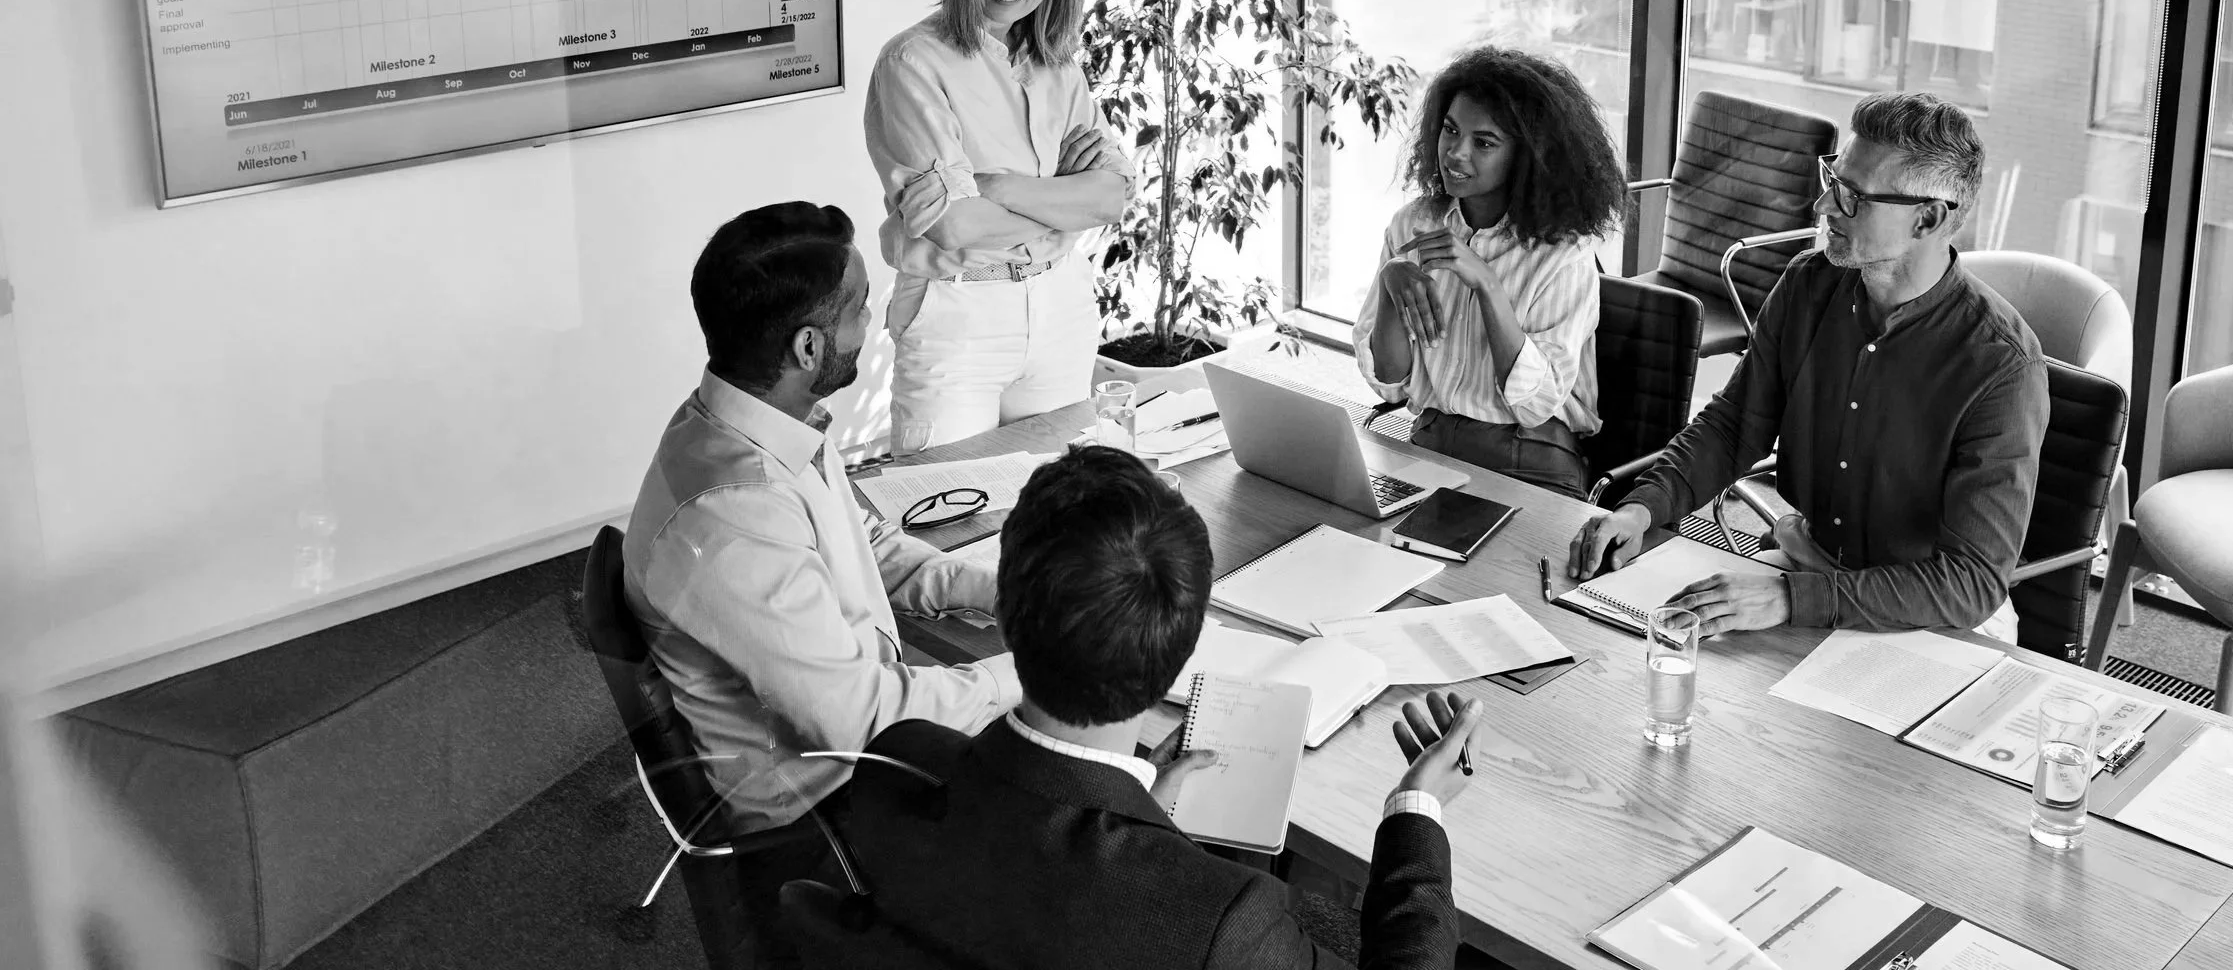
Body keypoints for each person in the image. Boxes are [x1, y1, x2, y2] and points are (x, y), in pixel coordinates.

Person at [820, 446, 1483, 969]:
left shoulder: (894, 765)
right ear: (1187, 641)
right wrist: (1416, 812)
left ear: (1004, 613)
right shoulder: (1221, 920)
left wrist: (1144, 815)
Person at [1568, 93, 2049, 639]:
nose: (1822, 207)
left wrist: (1789, 598)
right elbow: (1732, 427)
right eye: (1831, 180)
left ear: (1929, 218)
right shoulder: (1808, 282)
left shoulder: (2002, 364)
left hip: (1929, 617)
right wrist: (1642, 509)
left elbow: (1969, 584)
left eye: (1852, 197)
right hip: (1804, 566)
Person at [623, 201, 1019, 846]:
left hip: (860, 743)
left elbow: (867, 543)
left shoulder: (759, 419)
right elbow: (863, 722)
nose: (875, 323)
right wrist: (1034, 670)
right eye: (860, 308)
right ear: (809, 347)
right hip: (828, 813)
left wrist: (998, 591)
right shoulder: (734, 517)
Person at [862, 0, 1135, 455]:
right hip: (959, 314)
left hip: (1061, 309)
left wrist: (999, 187)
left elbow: (1111, 198)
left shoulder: (1061, 63)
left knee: (1063, 516)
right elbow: (955, 226)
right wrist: (1067, 202)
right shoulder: (912, 62)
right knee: (950, 517)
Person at [1353, 47, 1625, 497]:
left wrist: (1485, 282)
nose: (1456, 154)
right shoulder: (1412, 225)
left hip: (1530, 459)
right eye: (1450, 130)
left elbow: (1535, 406)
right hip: (1432, 442)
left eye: (1484, 142)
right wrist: (1390, 285)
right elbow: (1390, 383)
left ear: (1528, 156)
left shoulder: (1563, 256)